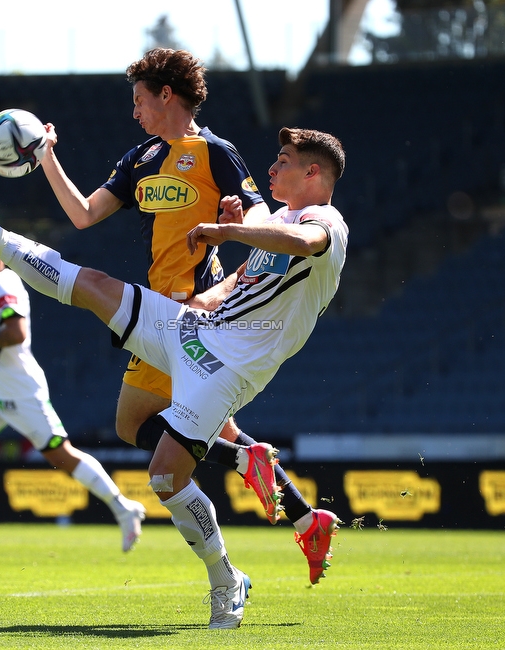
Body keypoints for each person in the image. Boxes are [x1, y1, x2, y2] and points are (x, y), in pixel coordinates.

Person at [0, 125, 347, 627]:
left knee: (164, 477)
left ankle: (226, 578)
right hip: (195, 328)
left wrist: (229, 231)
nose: (272, 167)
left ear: (312, 171)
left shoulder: (326, 222)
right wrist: (204, 299)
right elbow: (244, 279)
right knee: (93, 285)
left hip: (226, 369)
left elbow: (305, 242)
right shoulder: (279, 217)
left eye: (283, 160)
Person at [37, 47, 338, 584]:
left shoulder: (217, 153)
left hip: (188, 312)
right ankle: (305, 518)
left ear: (166, 95)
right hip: (165, 306)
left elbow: (268, 224)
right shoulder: (139, 159)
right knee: (219, 431)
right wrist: (46, 159)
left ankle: (252, 480)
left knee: (132, 425)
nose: (134, 112)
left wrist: (231, 222)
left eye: (139, 100)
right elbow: (83, 215)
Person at [0, 240, 147, 560]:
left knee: (62, 456)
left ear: (1, 258)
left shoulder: (4, 283)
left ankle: (124, 508)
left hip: (22, 390)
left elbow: (17, 333)